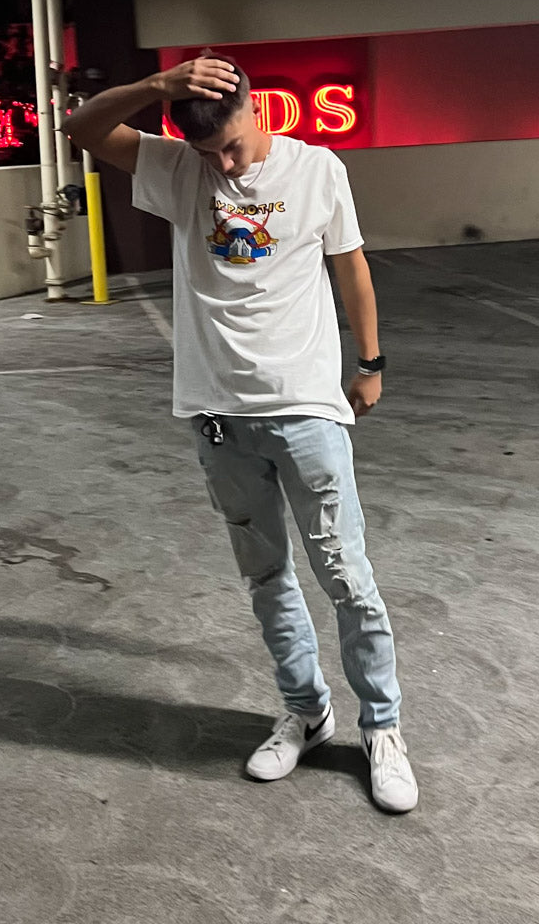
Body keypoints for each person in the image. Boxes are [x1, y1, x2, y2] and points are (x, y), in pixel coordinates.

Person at [63, 55, 418, 813]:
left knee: (347, 577)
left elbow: (351, 267)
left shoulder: (317, 169)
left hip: (307, 408)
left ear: (256, 109)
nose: (223, 164)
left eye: (231, 145)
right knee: (266, 578)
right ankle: (307, 711)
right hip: (218, 414)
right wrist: (157, 88)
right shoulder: (177, 168)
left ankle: (383, 728)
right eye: (208, 154)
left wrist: (371, 361)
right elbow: (82, 127)